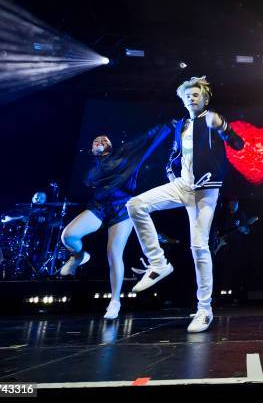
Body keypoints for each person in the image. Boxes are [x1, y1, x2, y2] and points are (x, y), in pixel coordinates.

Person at [126, 76, 244, 333]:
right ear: (182, 100)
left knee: (199, 247)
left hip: (205, 190)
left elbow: (238, 144)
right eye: (187, 95)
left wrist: (224, 127)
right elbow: (176, 153)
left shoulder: (211, 119)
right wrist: (170, 169)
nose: (192, 98)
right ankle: (158, 262)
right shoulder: (182, 124)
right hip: (182, 185)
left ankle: (204, 310)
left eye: (196, 94)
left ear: (205, 98)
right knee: (135, 205)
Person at [59, 128, 168, 320]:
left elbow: (146, 139)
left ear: (110, 145)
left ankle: (115, 301)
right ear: (92, 150)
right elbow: (89, 184)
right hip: (99, 208)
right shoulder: (92, 168)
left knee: (114, 253)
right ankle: (78, 256)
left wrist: (168, 126)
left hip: (122, 209)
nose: (99, 140)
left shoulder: (124, 155)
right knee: (68, 235)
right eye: (95, 141)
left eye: (104, 139)